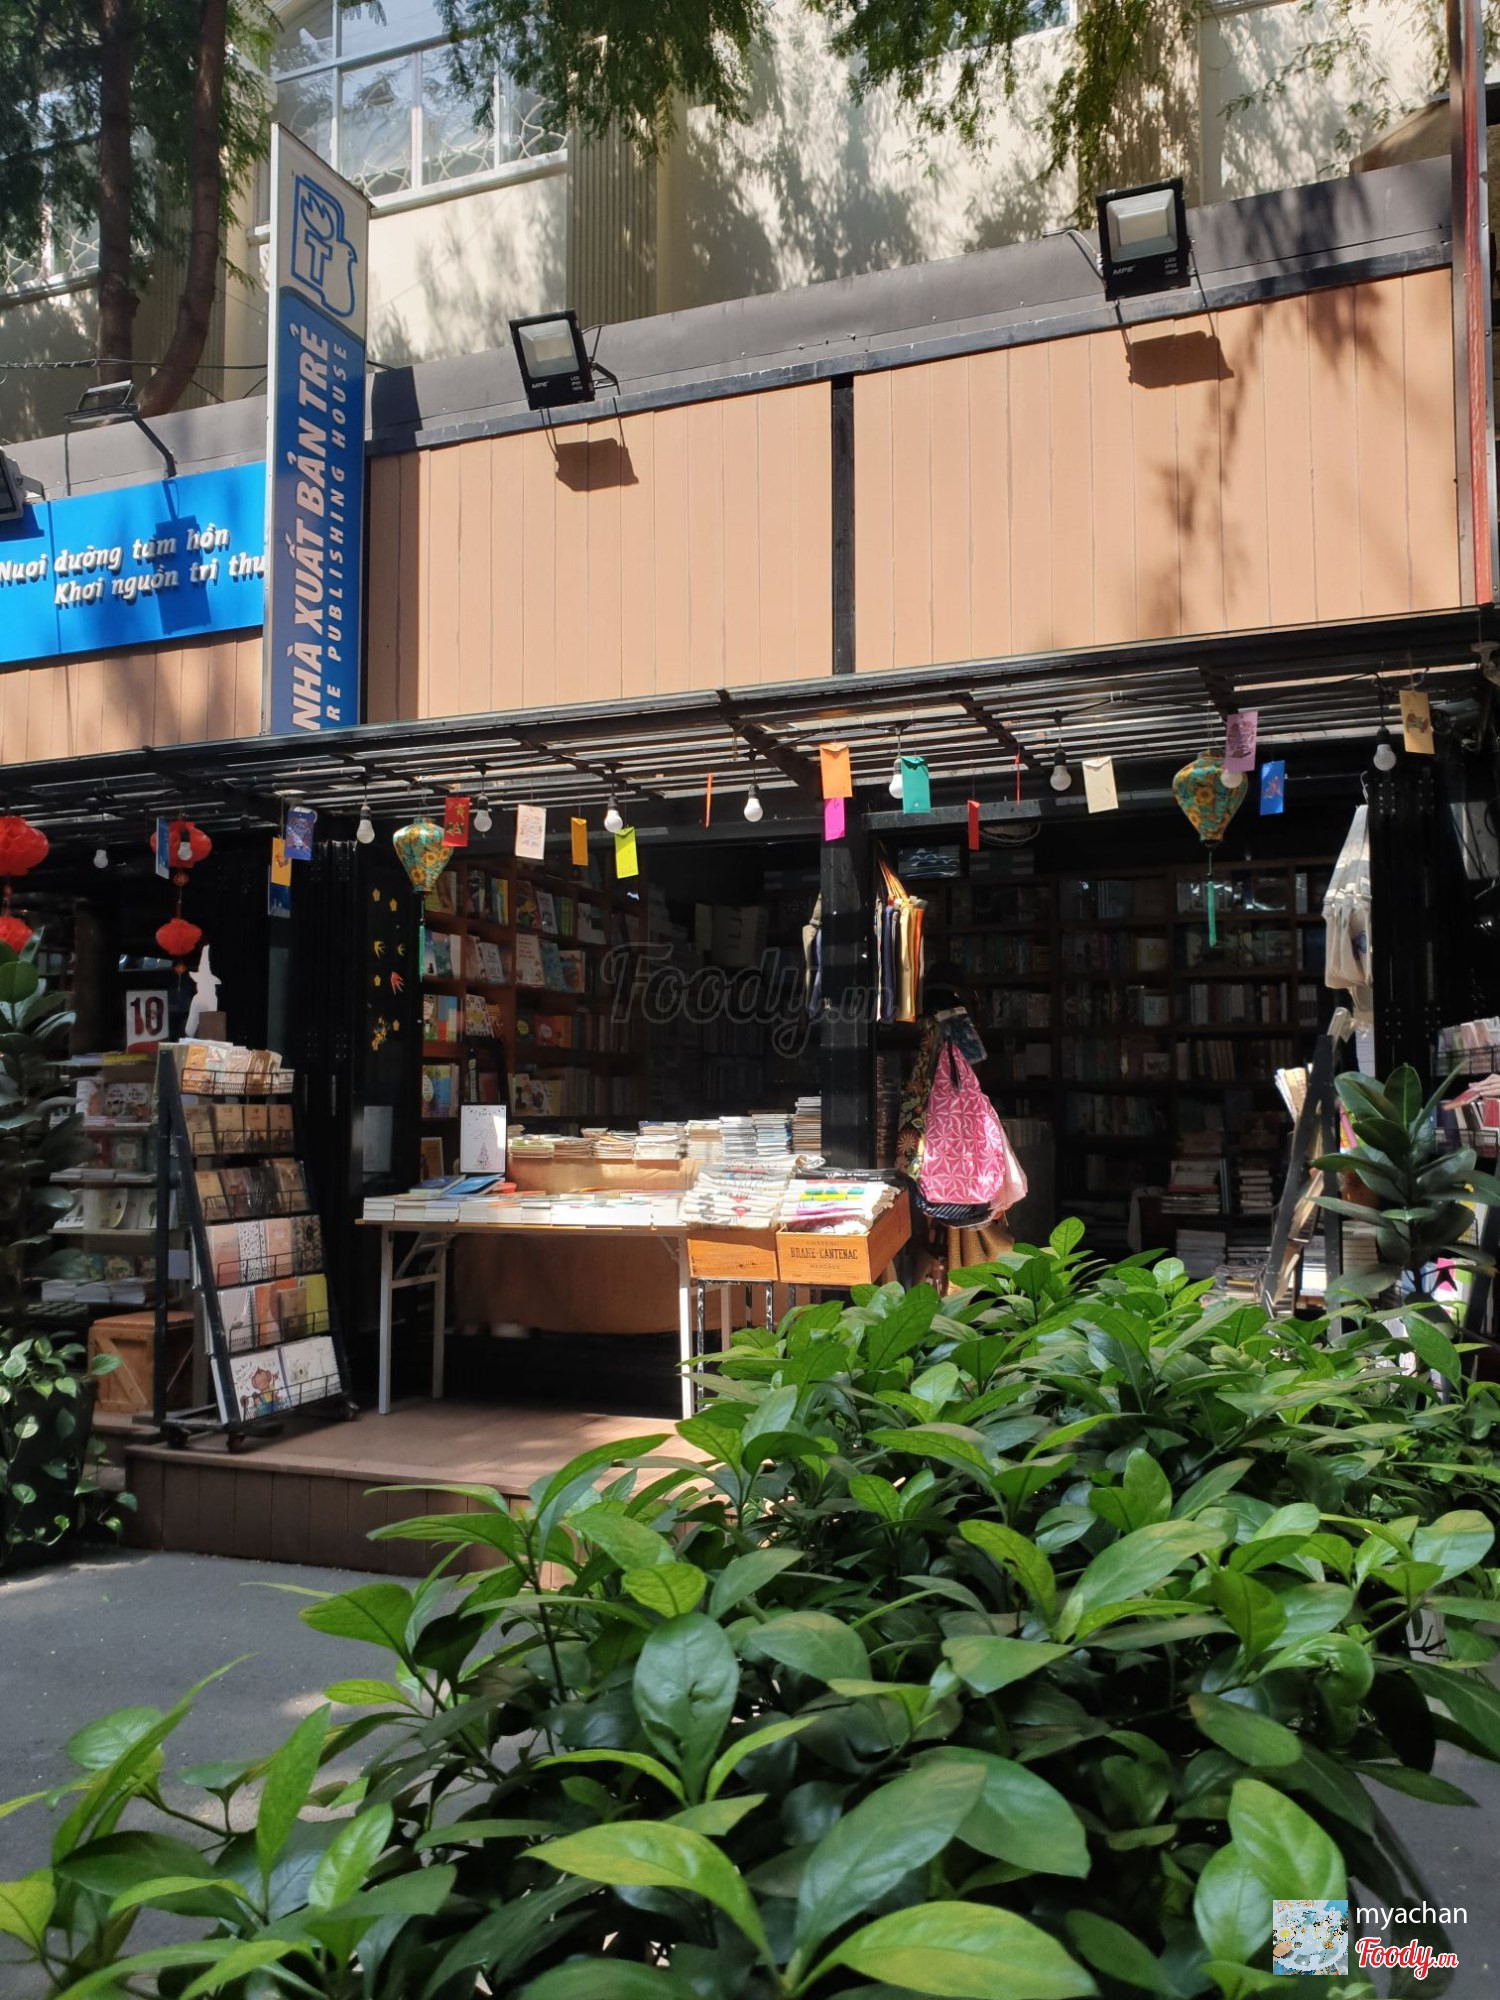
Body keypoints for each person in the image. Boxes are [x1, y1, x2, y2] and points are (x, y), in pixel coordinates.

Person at [895, 960, 1016, 1290]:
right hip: (956, 1158)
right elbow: (976, 1084)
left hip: (919, 1149)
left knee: (927, 1231)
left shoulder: (917, 1025)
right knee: (954, 1224)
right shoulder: (960, 1026)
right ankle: (957, 1287)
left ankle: (924, 1288)